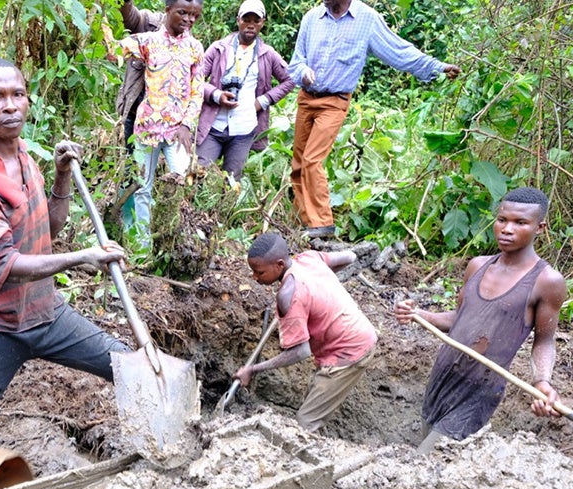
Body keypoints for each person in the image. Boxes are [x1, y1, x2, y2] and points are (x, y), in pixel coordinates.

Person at [0, 57, 130, 459]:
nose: (10, 105)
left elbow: (49, 231)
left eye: (18, 94)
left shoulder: (24, 156)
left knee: (126, 367)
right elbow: (2, 269)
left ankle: (159, 445)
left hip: (44, 312)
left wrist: (62, 175)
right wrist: (82, 258)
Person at [394, 187, 567, 453]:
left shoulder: (547, 281)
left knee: (425, 460)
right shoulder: (477, 265)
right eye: (502, 220)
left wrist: (541, 382)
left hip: (478, 391)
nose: (507, 229)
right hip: (441, 378)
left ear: (540, 228)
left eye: (520, 223)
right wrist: (419, 315)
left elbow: (544, 341)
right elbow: (459, 318)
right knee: (429, 465)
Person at [287, 0, 462, 238]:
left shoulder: (366, 19)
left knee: (311, 160)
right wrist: (302, 72)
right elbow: (296, 62)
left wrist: (437, 67)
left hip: (334, 102)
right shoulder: (311, 18)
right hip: (306, 98)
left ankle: (322, 224)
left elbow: (398, 51)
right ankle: (302, 221)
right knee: (298, 164)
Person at [235, 231, 378, 430]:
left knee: (305, 422)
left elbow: (301, 351)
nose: (255, 278)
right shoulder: (308, 259)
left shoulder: (288, 296)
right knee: (315, 395)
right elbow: (350, 257)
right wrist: (320, 286)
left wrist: (253, 369)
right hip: (356, 331)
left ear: (279, 265)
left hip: (349, 351)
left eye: (259, 272)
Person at [106, 0, 205, 242]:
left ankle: (174, 241)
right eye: (183, 13)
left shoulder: (195, 48)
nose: (189, 20)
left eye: (194, 15)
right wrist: (102, 24)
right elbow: (114, 52)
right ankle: (142, 244)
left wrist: (186, 125)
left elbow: (197, 91)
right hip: (146, 130)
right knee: (142, 187)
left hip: (176, 133)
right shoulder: (149, 41)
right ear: (167, 9)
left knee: (180, 184)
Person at [195, 0, 295, 180]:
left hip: (244, 129)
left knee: (232, 181)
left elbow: (290, 79)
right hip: (214, 126)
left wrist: (262, 101)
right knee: (199, 173)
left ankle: (224, 209)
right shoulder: (218, 48)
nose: (251, 25)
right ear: (237, 20)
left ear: (262, 22)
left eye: (256, 21)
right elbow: (195, 79)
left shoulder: (268, 54)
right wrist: (216, 95)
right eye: (246, 19)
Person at [117, 0, 165, 152]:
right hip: (134, 110)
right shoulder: (149, 22)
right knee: (129, 162)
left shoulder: (188, 43)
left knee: (150, 167)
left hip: (162, 120)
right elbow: (130, 16)